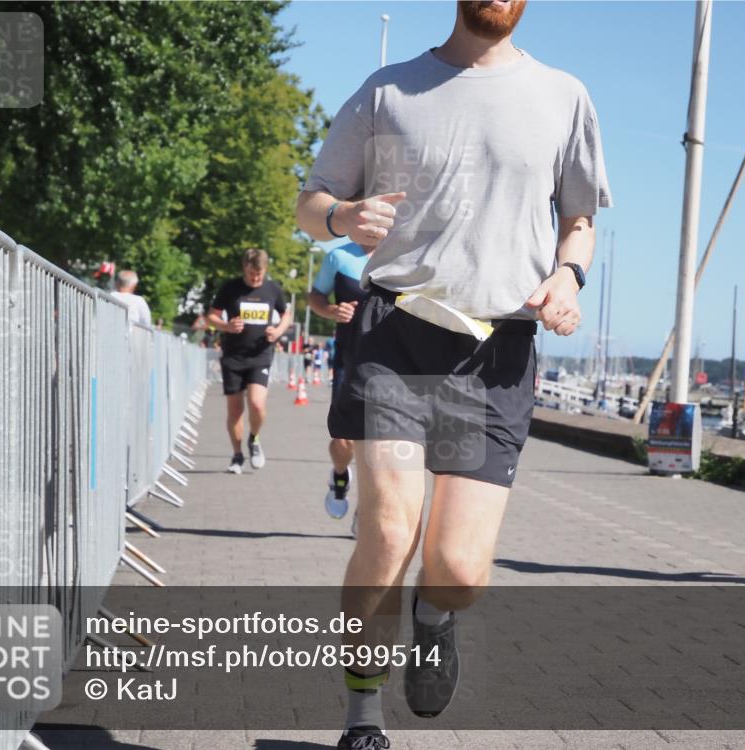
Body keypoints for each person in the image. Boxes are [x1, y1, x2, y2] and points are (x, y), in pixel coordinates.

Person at [296, 1, 610, 746]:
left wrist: (567, 278)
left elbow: (581, 218)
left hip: (496, 352)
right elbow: (311, 205)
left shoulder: (564, 96)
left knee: (460, 570)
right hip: (394, 335)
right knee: (389, 531)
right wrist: (342, 219)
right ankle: (363, 715)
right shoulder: (387, 91)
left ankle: (434, 616)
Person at [207, 249, 292, 474]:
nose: (256, 278)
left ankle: (254, 439)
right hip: (233, 356)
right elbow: (211, 316)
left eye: (260, 274)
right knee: (235, 412)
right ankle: (237, 456)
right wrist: (226, 326)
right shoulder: (230, 288)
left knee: (256, 404)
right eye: (252, 274)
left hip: (260, 355)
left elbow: (286, 315)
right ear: (244, 267)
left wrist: (279, 331)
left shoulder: (273, 289)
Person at [308, 242, 373, 526]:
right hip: (349, 357)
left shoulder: (405, 253)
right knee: (344, 441)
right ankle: (339, 474)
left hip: (391, 363)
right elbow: (315, 297)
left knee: (378, 443)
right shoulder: (340, 256)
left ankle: (365, 511)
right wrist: (332, 311)